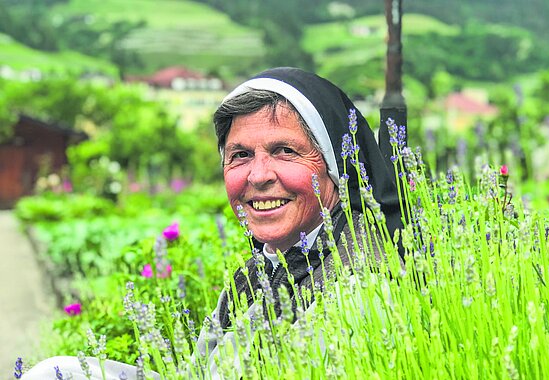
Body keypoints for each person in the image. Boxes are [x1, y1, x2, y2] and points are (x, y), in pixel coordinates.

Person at [23, 67, 404, 379]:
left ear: (336, 167)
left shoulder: (362, 281)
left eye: (284, 151)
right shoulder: (261, 270)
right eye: (239, 155)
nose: (258, 175)